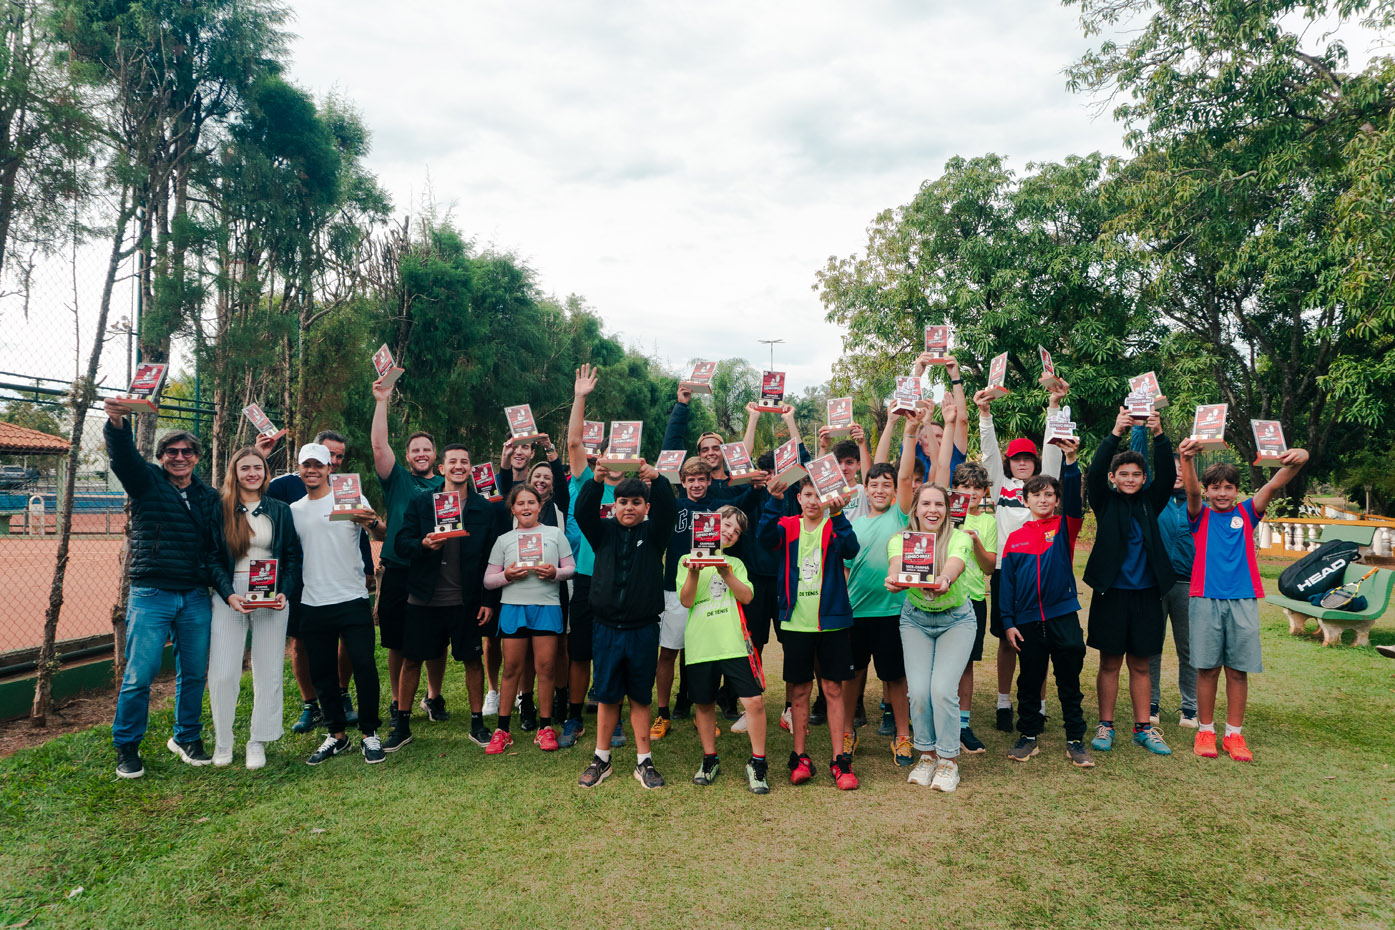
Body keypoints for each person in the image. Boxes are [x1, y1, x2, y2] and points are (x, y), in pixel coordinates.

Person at [104, 401, 222, 778]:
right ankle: (127, 746)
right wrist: (117, 422)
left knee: (194, 673)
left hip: (194, 595)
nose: (179, 457)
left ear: (197, 457)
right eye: (171, 451)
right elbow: (124, 458)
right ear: (161, 457)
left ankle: (186, 737)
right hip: (151, 593)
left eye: (187, 452)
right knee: (140, 674)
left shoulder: (208, 496)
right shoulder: (147, 482)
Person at [1178, 439, 1308, 762]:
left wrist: (1302, 457)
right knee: (1207, 669)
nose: (1222, 493)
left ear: (1237, 491)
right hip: (1205, 598)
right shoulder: (1200, 515)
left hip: (1243, 600)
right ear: (1207, 491)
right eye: (1215, 488)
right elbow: (1191, 492)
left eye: (1228, 488)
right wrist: (1186, 459)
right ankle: (1205, 730)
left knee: (1238, 670)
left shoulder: (1247, 513)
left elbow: (1274, 484)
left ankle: (1234, 735)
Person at [387, 444, 502, 752]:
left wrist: (488, 600)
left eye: (464, 461)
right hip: (424, 597)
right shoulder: (422, 503)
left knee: (472, 660)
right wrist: (423, 544)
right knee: (412, 660)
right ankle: (402, 726)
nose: (458, 466)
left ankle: (477, 724)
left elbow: (492, 558)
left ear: (471, 468)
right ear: (442, 468)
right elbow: (401, 542)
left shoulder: (483, 509)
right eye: (452, 461)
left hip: (465, 600)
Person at [261, 427, 373, 734]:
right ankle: (311, 705)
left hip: (344, 584)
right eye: (329, 454)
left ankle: (342, 696)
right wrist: (261, 456)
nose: (334, 461)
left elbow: (361, 532)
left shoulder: (347, 490)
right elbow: (253, 496)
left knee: (350, 644)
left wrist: (367, 569)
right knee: (302, 643)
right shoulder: (284, 487)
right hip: (301, 582)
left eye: (338, 457)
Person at [575, 459, 678, 789]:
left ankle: (644, 761)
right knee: (607, 696)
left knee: (640, 696)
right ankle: (601, 759)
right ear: (614, 505)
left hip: (643, 630)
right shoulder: (602, 532)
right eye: (623, 502)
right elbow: (582, 512)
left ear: (647, 507)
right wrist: (596, 479)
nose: (629, 507)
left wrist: (657, 479)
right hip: (606, 629)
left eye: (636, 502)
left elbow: (669, 509)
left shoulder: (655, 533)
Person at [975, 381, 1067, 732]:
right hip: (1007, 570)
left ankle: (1038, 706)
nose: (1023, 463)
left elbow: (1054, 450)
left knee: (1039, 641)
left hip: (1043, 572)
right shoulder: (1001, 486)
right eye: (1017, 458)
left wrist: (1054, 407)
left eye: (1028, 458)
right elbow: (988, 453)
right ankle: (1003, 703)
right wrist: (985, 414)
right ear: (1010, 463)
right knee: (1006, 640)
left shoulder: (1044, 487)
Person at [1083, 409, 1176, 756]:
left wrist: (1159, 434)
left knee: (1140, 664)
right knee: (1109, 663)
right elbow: (1094, 472)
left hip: (1147, 595)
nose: (1130, 479)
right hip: (1111, 593)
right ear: (1113, 477)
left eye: (1137, 474)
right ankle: (1105, 725)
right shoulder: (1105, 502)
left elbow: (1167, 474)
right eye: (1123, 474)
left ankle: (1143, 728)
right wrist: (1115, 433)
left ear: (1144, 478)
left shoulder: (1152, 501)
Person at [759, 476, 861, 790]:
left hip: (832, 622)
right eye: (807, 495)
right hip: (795, 623)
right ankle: (800, 757)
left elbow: (851, 549)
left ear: (828, 499)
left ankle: (840, 759)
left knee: (833, 689)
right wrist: (773, 501)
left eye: (819, 495)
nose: (814, 501)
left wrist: (839, 515)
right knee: (800, 691)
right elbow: (764, 538)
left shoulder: (834, 524)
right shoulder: (788, 525)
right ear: (799, 498)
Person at [288, 443, 387, 765]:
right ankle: (337, 735)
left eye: (318, 465)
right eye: (307, 465)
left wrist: (371, 521)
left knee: (364, 667)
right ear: (299, 469)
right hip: (313, 602)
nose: (312, 470)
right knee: (322, 672)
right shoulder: (295, 510)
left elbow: (382, 533)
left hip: (352, 598)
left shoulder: (351, 498)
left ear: (329, 468)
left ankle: (370, 734)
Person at [207, 446, 302, 769]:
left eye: (257, 468)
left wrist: (284, 592)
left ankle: (258, 740)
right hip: (231, 594)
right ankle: (223, 742)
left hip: (271, 593)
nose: (252, 473)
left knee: (268, 669)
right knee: (223, 672)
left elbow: (292, 557)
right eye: (245, 468)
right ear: (235, 473)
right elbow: (212, 558)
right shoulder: (221, 508)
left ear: (265, 472)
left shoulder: (280, 510)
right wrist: (228, 594)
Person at [998, 442, 1092, 767]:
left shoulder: (1064, 527)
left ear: (1056, 500)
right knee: (1029, 680)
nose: (1043, 499)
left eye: (1049, 494)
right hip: (1026, 621)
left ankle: (1075, 739)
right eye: (1036, 494)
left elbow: (1076, 504)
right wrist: (1008, 622)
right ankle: (1028, 735)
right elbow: (1007, 584)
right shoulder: (1016, 538)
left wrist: (1071, 461)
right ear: (1025, 500)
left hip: (1062, 616)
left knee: (1069, 682)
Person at [843, 405, 920, 767]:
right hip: (857, 613)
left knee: (895, 678)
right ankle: (847, 732)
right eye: (873, 484)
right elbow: (846, 570)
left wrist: (910, 430)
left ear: (894, 491)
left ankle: (903, 736)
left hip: (893, 611)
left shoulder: (900, 514)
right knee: (852, 677)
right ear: (865, 488)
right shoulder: (854, 525)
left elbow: (905, 475)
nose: (880, 489)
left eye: (886, 485)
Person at [885, 483, 975, 793]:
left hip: (956, 620)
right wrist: (894, 578)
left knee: (942, 690)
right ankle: (927, 755)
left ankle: (948, 761)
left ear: (947, 510)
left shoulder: (959, 538)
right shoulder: (900, 540)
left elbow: (955, 563)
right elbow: (896, 564)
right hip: (916, 621)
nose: (932, 510)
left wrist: (945, 578)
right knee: (919, 691)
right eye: (926, 504)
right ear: (916, 509)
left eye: (939, 504)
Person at [370, 376, 446, 730]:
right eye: (415, 450)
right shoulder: (397, 479)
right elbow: (378, 445)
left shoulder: (446, 485)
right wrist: (381, 400)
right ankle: (398, 701)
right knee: (397, 641)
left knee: (436, 639)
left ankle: (433, 696)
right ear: (407, 456)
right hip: (399, 567)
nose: (421, 454)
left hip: (435, 568)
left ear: (435, 456)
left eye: (426, 450)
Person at [678, 506, 769, 793]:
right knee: (704, 704)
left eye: (736, 531)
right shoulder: (686, 559)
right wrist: (694, 572)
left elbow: (747, 596)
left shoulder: (735, 563)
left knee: (754, 702)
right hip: (701, 645)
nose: (730, 532)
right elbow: (686, 601)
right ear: (711, 524)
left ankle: (758, 763)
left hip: (733, 644)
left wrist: (725, 572)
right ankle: (709, 759)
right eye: (726, 524)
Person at [482, 484, 576, 753]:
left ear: (539, 506)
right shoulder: (504, 540)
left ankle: (544, 728)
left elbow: (571, 568)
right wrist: (507, 576)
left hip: (547, 606)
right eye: (520, 503)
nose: (526, 507)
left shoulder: (554, 534)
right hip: (513, 607)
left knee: (546, 667)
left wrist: (555, 573)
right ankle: (502, 730)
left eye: (531, 502)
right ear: (512, 508)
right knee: (512, 668)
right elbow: (488, 580)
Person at [560, 363, 624, 749]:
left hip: (623, 580)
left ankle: (613, 716)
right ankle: (574, 717)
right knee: (580, 651)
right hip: (587, 577)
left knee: (613, 652)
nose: (614, 459)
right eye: (609, 453)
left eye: (622, 453)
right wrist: (579, 397)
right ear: (600, 456)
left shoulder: (635, 491)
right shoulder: (588, 481)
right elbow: (573, 444)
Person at [489, 434, 569, 725]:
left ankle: (559, 700)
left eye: (547, 477)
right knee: (519, 654)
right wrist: (505, 457)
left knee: (555, 649)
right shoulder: (513, 518)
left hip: (551, 591)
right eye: (538, 476)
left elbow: (561, 482)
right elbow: (505, 487)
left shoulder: (558, 507)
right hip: (517, 593)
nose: (542, 480)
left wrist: (550, 449)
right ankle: (526, 702)